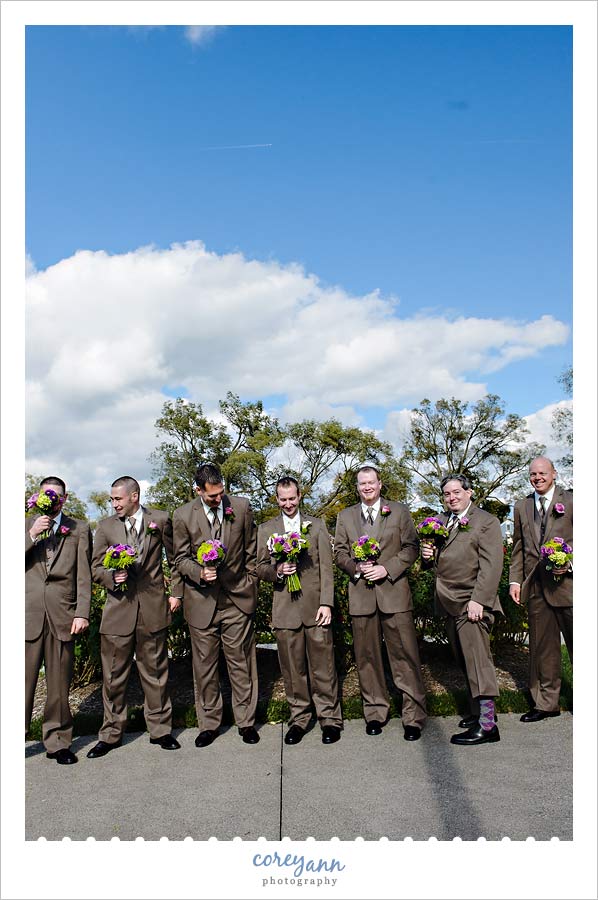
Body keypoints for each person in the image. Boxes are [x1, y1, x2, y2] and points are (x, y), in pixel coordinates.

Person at [87, 476, 183, 757]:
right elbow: (95, 568)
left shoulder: (161, 520)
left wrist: (175, 592)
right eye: (112, 500)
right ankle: (111, 734)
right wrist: (111, 577)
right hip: (118, 611)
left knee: (155, 674)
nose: (114, 504)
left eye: (118, 499)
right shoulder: (105, 527)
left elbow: (175, 558)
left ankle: (161, 730)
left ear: (134, 496)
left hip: (153, 607)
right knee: (114, 676)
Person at [334, 465, 427, 741]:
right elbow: (339, 552)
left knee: (405, 656)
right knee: (367, 658)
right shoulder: (345, 516)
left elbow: (411, 547)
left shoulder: (398, 511)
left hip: (394, 594)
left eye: (371, 482)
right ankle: (375, 712)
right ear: (357, 487)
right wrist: (357, 568)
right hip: (361, 596)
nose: (367, 487)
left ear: (380, 484)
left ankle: (413, 716)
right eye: (362, 484)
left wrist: (387, 568)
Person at [173, 463, 259, 747]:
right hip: (201, 602)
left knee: (241, 664)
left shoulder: (242, 507)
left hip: (237, 598)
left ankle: (246, 722)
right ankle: (209, 725)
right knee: (205, 667)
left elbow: (251, 552)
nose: (218, 499)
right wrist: (199, 572)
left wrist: (250, 583)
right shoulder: (183, 515)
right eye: (211, 496)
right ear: (197, 490)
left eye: (221, 493)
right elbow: (180, 559)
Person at [257, 476, 342, 745]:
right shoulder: (266, 529)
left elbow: (326, 569)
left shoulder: (316, 526)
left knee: (323, 667)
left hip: (316, 608)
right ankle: (300, 719)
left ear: (299, 495)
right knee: (293, 670)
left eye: (292, 498)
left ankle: (329, 719)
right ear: (276, 499)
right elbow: (259, 568)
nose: (288, 503)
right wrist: (278, 571)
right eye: (283, 499)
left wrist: (327, 603)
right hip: (285, 609)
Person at [421, 474, 503, 746]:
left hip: (471, 602)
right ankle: (477, 712)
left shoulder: (486, 522)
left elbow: (492, 566)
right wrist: (427, 557)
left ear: (469, 493)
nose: (451, 497)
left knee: (479, 662)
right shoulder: (442, 522)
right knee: (465, 660)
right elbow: (439, 562)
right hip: (448, 602)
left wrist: (479, 599)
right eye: (446, 494)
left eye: (456, 492)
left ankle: (488, 725)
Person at [25, 476, 92, 764]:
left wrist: (82, 612)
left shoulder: (79, 528)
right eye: (46, 495)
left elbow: (84, 575)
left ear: (64, 498)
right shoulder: (23, 523)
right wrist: (30, 535)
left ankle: (58, 741)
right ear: (37, 497)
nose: (51, 500)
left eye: (56, 496)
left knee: (59, 684)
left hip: (64, 614)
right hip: (27, 613)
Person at [509, 457, 573, 722]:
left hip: (570, 587)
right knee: (542, 650)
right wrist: (515, 581)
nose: (537, 477)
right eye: (533, 474)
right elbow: (518, 548)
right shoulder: (522, 506)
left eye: (542, 473)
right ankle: (546, 703)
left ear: (554, 474)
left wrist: (569, 562)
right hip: (535, 587)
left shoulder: (572, 501)